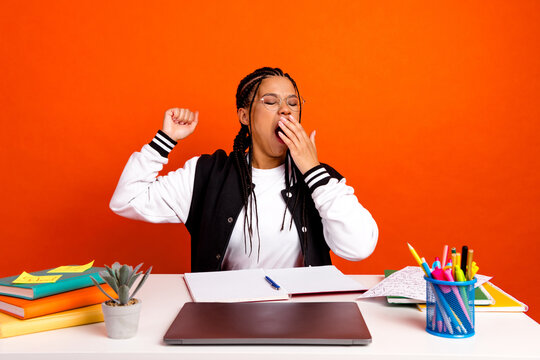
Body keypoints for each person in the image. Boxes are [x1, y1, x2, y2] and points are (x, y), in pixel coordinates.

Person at [110, 67, 378, 272]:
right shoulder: (207, 175)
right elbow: (126, 201)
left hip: (302, 323)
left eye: (293, 103)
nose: (285, 110)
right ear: (244, 116)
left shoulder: (321, 180)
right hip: (223, 323)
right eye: (271, 102)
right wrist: (165, 139)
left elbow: (359, 247)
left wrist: (312, 171)